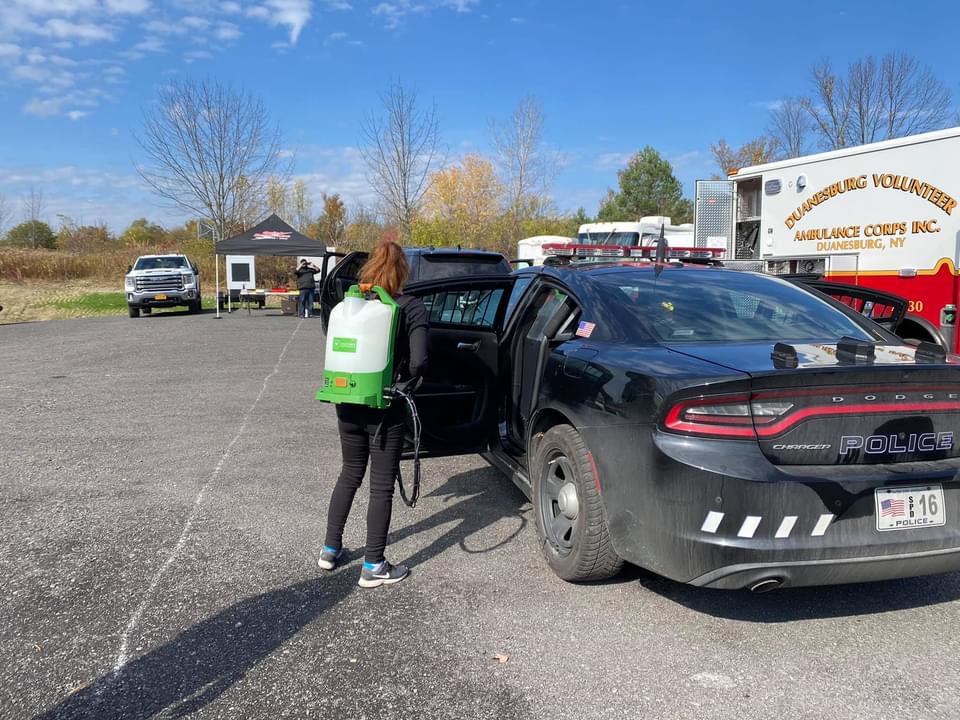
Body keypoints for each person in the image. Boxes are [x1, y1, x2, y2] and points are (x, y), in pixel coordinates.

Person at [318, 241, 429, 588]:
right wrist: (410, 380)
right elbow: (420, 360)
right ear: (402, 271)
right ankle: (374, 565)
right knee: (381, 487)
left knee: (349, 473)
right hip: (386, 405)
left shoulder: (353, 305)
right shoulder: (409, 307)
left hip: (346, 399)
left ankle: (329, 549)